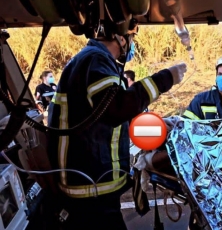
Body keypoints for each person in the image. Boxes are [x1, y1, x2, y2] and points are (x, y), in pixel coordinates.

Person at [46, 18, 187, 230]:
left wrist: (153, 124)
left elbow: (105, 117)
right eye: (132, 37)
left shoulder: (94, 61)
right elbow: (116, 108)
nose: (132, 44)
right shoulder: (96, 60)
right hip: (90, 189)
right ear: (121, 37)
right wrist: (166, 78)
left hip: (92, 184)